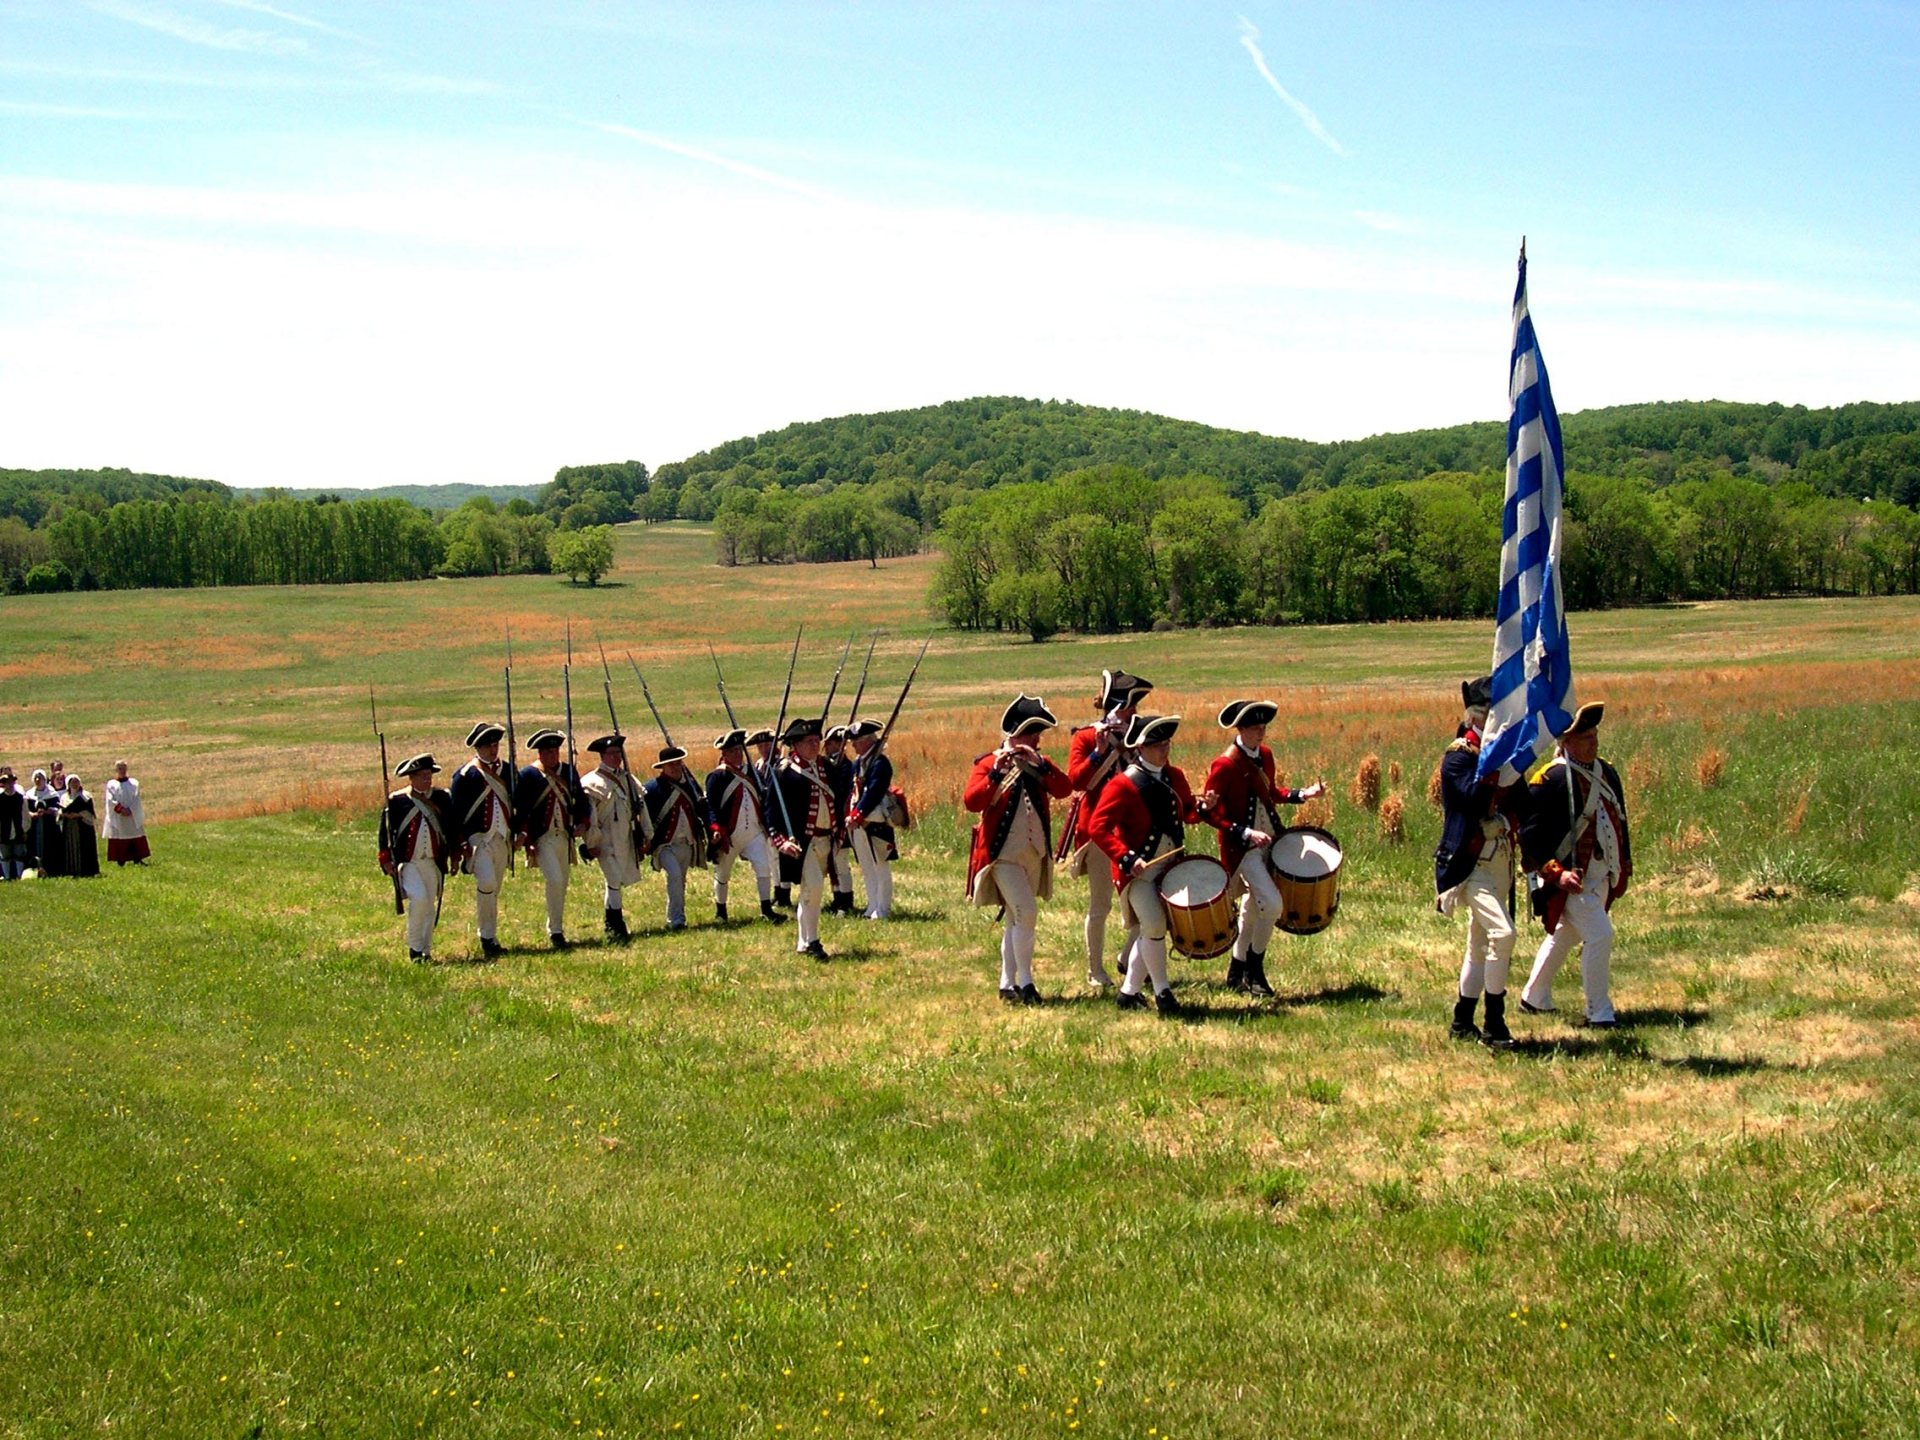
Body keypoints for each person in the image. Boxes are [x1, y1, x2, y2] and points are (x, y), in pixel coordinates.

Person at [1519, 702, 1633, 1027]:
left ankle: (1534, 996)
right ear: (1565, 742)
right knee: (1599, 935)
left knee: (1566, 934)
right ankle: (1600, 1013)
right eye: (1584, 737)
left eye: (1594, 735)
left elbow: (1619, 821)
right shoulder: (1551, 778)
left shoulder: (1607, 772)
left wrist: (1623, 864)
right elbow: (1530, 835)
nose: (1592, 742)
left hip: (1601, 876)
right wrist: (1556, 873)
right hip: (1569, 879)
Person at [1203, 701, 1326, 997]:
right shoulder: (1225, 764)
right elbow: (1210, 813)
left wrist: (1302, 794)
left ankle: (1237, 968)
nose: (1262, 733)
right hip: (1241, 849)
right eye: (1256, 728)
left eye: (1263, 728)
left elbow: (1269, 793)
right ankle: (1255, 968)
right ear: (1241, 729)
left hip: (1269, 838)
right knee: (1271, 904)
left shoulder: (1265, 756)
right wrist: (1244, 831)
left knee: (1252, 908)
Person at [1087, 713, 1204, 1015]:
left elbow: (1188, 812)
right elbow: (1097, 828)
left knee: (1150, 930)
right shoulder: (1122, 785)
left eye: (1166, 744)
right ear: (1140, 747)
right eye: (1157, 745)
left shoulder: (1175, 776)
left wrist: (1205, 806)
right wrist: (1127, 857)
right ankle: (1164, 994)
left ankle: (1128, 992)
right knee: (1153, 924)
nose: (1164, 750)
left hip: (1170, 867)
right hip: (1137, 874)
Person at [964, 696, 1073, 1004]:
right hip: (1003, 855)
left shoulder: (1040, 762)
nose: (1037, 739)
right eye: (1030, 733)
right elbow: (972, 801)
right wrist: (996, 772)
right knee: (1027, 913)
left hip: (1033, 852)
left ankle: (1006, 984)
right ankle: (1026, 984)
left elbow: (1064, 789)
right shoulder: (988, 763)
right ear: (1014, 734)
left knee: (1015, 918)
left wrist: (1040, 764)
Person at [1435, 676, 1523, 1047]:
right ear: (1476, 718)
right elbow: (1469, 798)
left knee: (1479, 942)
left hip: (1498, 861)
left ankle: (1461, 1020)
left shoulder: (1499, 759)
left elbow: (1523, 803)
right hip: (1467, 865)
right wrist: (1492, 763)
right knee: (1504, 934)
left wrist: (1503, 822)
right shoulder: (1458, 756)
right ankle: (1495, 1022)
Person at [1064, 669, 1153, 987]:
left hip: (1134, 828)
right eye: (1130, 705)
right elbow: (1076, 781)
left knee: (1143, 901)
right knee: (1100, 903)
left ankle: (1127, 957)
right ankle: (1094, 970)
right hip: (1099, 830)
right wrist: (1101, 750)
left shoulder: (1139, 734)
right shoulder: (1086, 737)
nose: (1134, 711)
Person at [768, 716, 842, 961]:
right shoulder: (785, 772)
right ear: (795, 745)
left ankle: (802, 942)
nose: (815, 744)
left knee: (811, 893)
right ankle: (812, 941)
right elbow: (772, 813)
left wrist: (839, 830)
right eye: (809, 741)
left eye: (816, 739)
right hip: (803, 842)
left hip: (825, 840)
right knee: (815, 888)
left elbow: (838, 799)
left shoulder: (827, 768)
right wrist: (781, 842)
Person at [513, 728, 588, 949]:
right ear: (539, 754)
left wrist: (583, 822)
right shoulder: (529, 775)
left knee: (562, 883)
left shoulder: (569, 772)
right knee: (554, 880)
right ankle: (554, 931)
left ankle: (557, 926)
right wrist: (526, 836)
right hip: (542, 838)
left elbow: (580, 801)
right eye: (547, 751)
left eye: (555, 751)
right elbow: (522, 808)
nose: (552, 755)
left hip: (564, 837)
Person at [378, 753, 456, 963]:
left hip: (433, 862)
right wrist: (385, 858)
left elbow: (450, 828)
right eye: (421, 775)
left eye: (428, 775)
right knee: (419, 899)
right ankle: (414, 948)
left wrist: (456, 854)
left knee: (429, 905)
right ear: (411, 778)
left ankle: (426, 950)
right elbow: (385, 832)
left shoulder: (441, 798)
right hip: (409, 862)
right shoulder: (397, 801)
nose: (426, 779)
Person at [450, 722, 516, 960]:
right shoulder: (466, 775)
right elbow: (456, 813)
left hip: (502, 837)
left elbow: (517, 804)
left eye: (495, 744)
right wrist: (461, 843)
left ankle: (491, 935)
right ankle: (486, 936)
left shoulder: (508, 770)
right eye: (488, 745)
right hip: (478, 839)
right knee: (486, 883)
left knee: (494, 888)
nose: (493, 749)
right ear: (477, 747)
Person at [581, 733, 652, 942]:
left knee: (616, 882)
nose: (616, 757)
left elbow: (641, 808)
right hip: (605, 839)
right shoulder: (592, 782)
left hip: (625, 839)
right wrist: (591, 842)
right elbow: (591, 818)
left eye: (618, 753)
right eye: (611, 754)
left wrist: (647, 834)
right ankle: (617, 924)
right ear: (602, 756)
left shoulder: (628, 779)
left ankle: (610, 922)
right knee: (613, 879)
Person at [706, 728, 781, 923]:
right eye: (733, 751)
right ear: (724, 754)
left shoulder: (753, 773)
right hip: (730, 833)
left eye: (740, 750)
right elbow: (711, 806)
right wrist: (715, 829)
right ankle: (721, 912)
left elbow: (763, 800)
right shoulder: (717, 777)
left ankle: (766, 909)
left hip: (754, 831)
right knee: (723, 872)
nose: (738, 754)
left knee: (764, 867)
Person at [643, 744, 710, 931]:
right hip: (665, 845)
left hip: (687, 844)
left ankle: (676, 915)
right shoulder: (652, 789)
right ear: (662, 767)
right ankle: (677, 921)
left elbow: (701, 809)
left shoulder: (691, 787)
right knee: (674, 876)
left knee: (679, 881)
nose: (674, 767)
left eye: (677, 763)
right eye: (670, 764)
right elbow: (643, 816)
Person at [845, 718, 896, 919]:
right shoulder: (859, 763)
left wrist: (858, 814)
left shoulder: (880, 763)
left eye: (856, 741)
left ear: (867, 740)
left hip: (875, 820)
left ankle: (883, 908)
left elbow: (874, 792)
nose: (853, 744)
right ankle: (872, 904)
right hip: (858, 822)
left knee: (880, 864)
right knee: (866, 865)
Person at [748, 727, 792, 912]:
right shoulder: (758, 766)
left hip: (780, 816)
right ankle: (777, 890)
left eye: (767, 744)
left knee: (780, 856)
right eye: (760, 745)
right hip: (763, 818)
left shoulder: (783, 765)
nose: (764, 748)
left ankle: (784, 893)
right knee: (770, 857)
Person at [821, 725, 859, 916]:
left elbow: (843, 793)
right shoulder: (827, 764)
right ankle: (837, 897)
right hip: (828, 818)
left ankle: (846, 900)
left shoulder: (847, 766)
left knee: (840, 861)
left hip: (840, 818)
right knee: (832, 861)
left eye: (832, 743)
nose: (828, 747)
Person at [102, 760, 151, 866]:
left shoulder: (134, 783)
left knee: (135, 835)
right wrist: (120, 809)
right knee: (120, 836)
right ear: (116, 770)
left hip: (132, 815)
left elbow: (137, 798)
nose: (122, 770)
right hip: (119, 816)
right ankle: (121, 860)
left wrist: (131, 810)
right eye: (119, 768)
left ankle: (137, 858)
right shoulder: (111, 784)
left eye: (123, 768)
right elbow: (110, 800)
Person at [59, 774, 101, 878]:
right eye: (72, 782)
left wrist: (78, 814)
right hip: (69, 826)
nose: (75, 784)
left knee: (83, 848)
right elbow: (60, 810)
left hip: (83, 826)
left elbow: (90, 814)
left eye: (77, 782)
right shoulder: (64, 797)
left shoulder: (86, 796)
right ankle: (71, 869)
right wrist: (64, 814)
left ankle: (86, 870)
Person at [27, 769, 64, 878]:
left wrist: (47, 812)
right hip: (34, 825)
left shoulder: (52, 794)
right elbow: (25, 810)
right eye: (36, 778)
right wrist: (32, 814)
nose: (38, 780)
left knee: (50, 846)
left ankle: (51, 868)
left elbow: (58, 809)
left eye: (40, 778)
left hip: (49, 827)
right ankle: (35, 868)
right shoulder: (29, 794)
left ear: (45, 779)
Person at [0, 769, 27, 880]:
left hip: (18, 829)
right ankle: (7, 876)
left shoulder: (20, 798)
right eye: (7, 782)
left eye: (11, 782)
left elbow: (25, 815)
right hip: (3, 830)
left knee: (19, 855)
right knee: (5, 855)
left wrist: (24, 830)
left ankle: (19, 876)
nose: (9, 784)